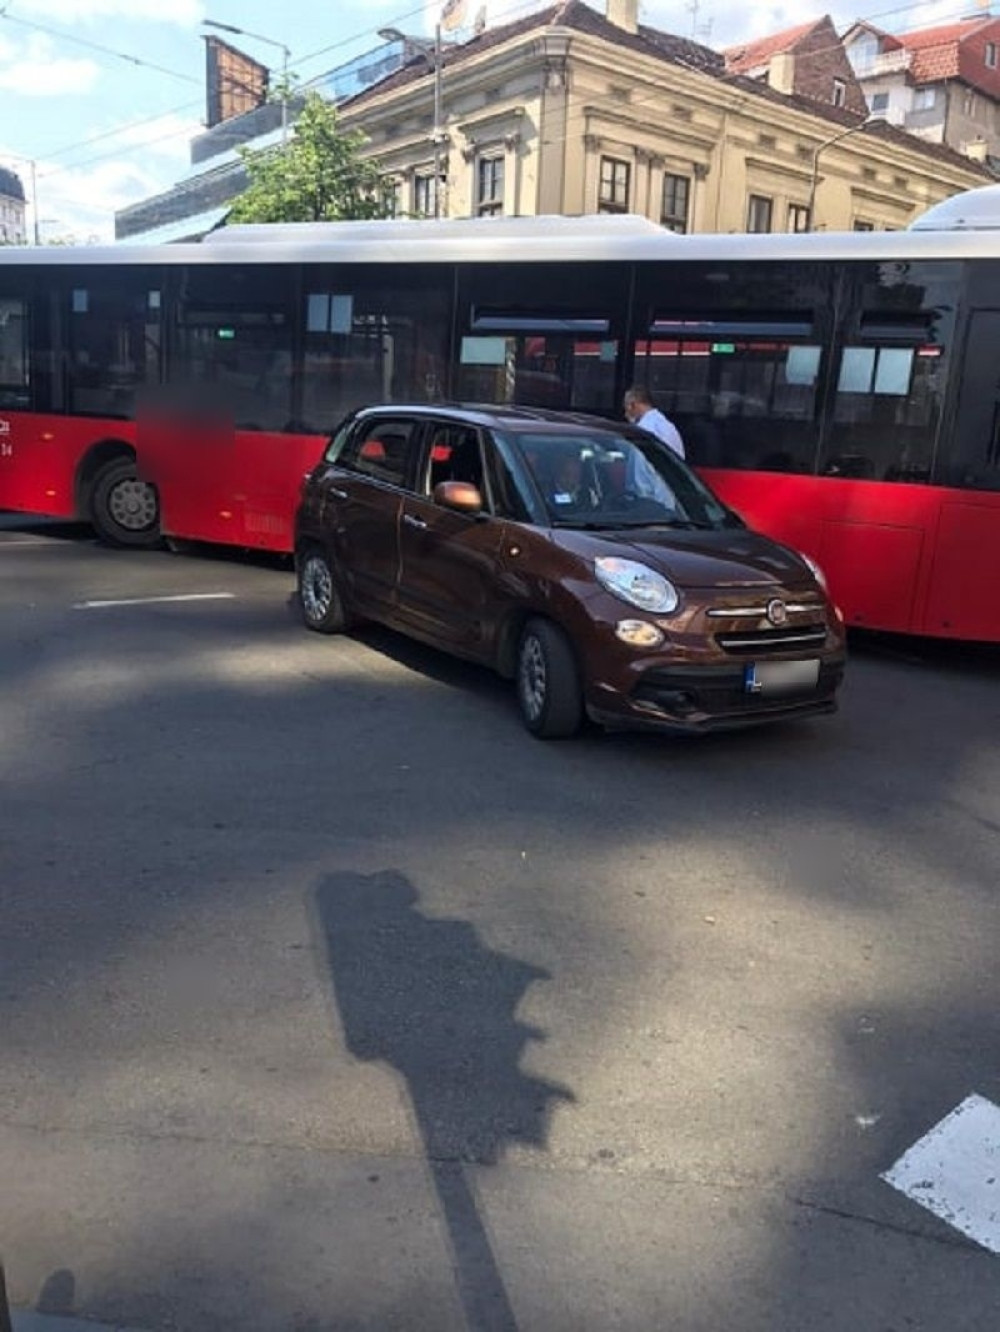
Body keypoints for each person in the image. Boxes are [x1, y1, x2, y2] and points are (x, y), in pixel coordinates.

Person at [623, 386, 685, 460]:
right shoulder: (667, 425)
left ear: (633, 405)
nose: (625, 414)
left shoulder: (644, 428)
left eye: (626, 408)